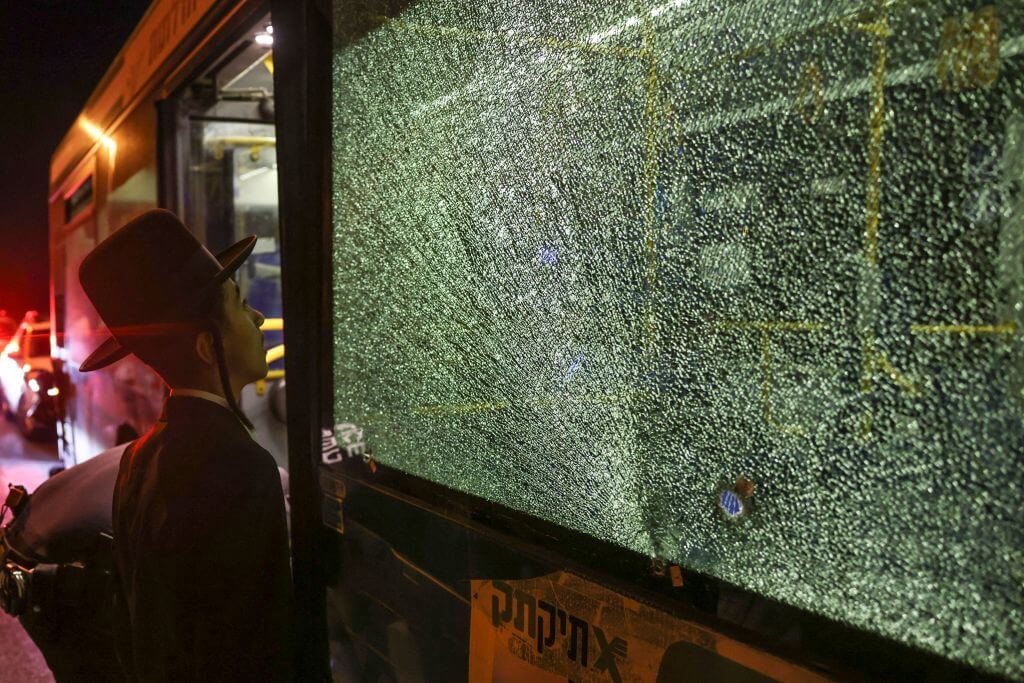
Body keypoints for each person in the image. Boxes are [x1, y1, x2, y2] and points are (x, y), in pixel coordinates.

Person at [77, 209, 294, 681]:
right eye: (238, 304)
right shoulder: (242, 468)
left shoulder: (138, 458)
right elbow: (256, 647)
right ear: (204, 346)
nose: (257, 316)